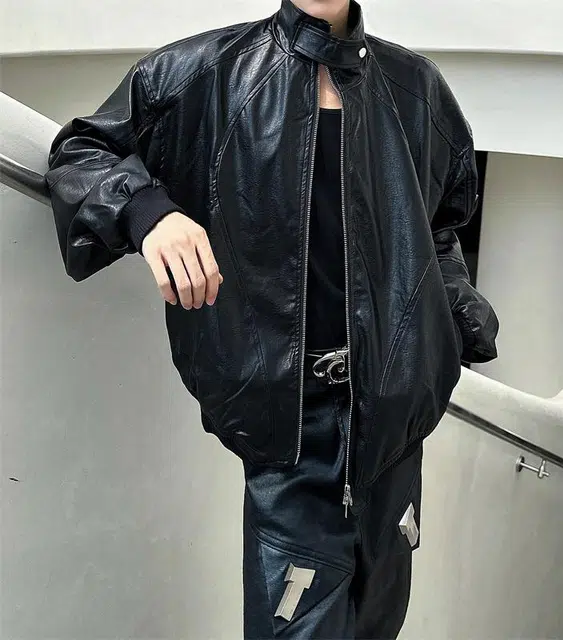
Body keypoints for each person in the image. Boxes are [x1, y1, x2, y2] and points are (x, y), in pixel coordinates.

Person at [45, 0, 499, 636]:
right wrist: (150, 213)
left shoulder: (416, 89)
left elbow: (440, 224)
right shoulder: (206, 72)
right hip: (290, 429)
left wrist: (454, 305)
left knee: (377, 622)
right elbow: (81, 151)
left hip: (394, 425)